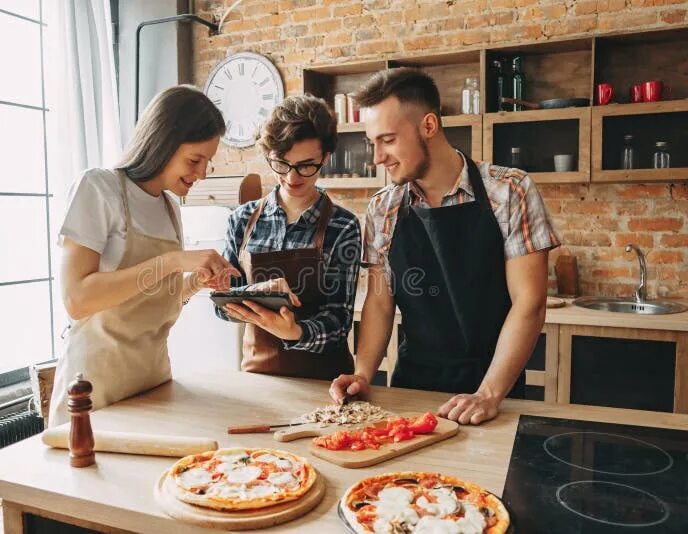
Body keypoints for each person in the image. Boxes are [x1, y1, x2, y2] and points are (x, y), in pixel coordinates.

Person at [329, 68, 560, 425]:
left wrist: (488, 394)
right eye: (371, 142)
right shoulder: (382, 208)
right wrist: (362, 374)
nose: (377, 157)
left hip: (494, 393)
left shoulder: (510, 191)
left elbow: (530, 302)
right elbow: (379, 300)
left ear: (429, 126)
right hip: (411, 391)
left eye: (387, 140)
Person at [49, 86, 239, 426]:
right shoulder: (98, 188)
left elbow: (151, 303)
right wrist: (172, 262)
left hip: (153, 384)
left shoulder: (169, 208)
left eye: (207, 162)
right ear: (163, 141)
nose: (202, 173)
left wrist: (195, 282)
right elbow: (77, 299)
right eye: (195, 160)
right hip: (96, 388)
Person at [215, 95, 361, 380]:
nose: (292, 177)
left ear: (326, 158)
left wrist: (296, 332)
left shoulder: (343, 226)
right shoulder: (241, 220)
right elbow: (222, 308)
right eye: (282, 164)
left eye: (306, 165)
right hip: (258, 379)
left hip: (325, 382)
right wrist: (252, 296)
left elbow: (340, 320)